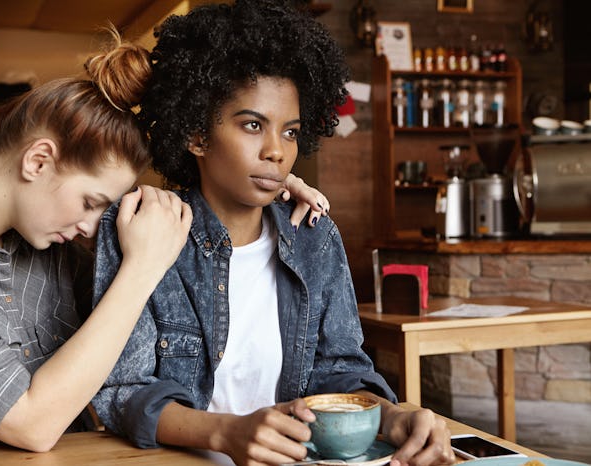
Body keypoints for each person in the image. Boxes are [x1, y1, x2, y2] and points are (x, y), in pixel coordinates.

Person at [0, 27, 330, 452]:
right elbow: (30, 423)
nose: (91, 225)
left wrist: (266, 183)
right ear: (39, 160)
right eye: (90, 201)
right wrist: (142, 268)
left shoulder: (50, 248)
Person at [90, 2, 455, 466]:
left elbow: (339, 371)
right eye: (252, 125)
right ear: (197, 135)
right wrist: (228, 433)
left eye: (291, 132)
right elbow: (124, 394)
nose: (276, 152)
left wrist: (391, 416)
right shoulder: (138, 230)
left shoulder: (315, 238)